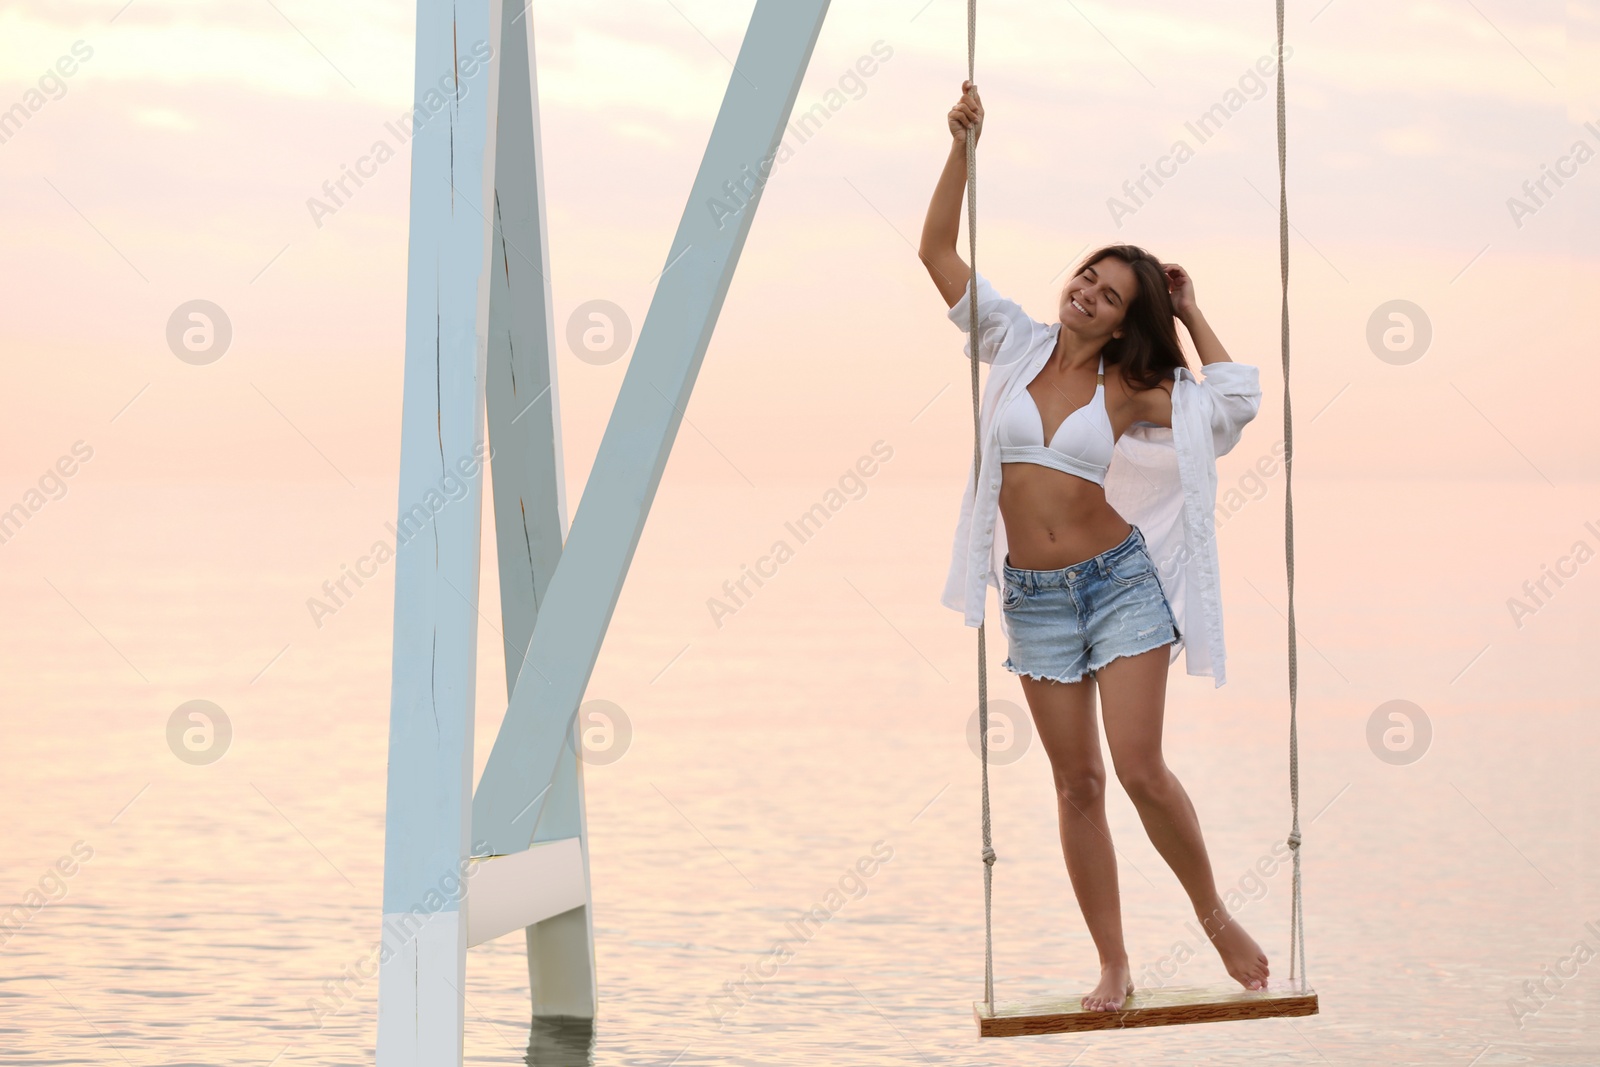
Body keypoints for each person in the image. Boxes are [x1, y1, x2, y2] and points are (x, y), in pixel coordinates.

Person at [919, 80, 1271, 1013]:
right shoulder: (1014, 340)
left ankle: (1212, 911)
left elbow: (1232, 404)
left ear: (1123, 321)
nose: (1087, 292)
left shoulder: (1132, 386)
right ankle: (1113, 963)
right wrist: (962, 148)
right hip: (1033, 598)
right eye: (1086, 276)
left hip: (1119, 586)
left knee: (1139, 766)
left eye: (1109, 293)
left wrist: (1190, 311)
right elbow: (936, 251)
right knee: (1077, 785)